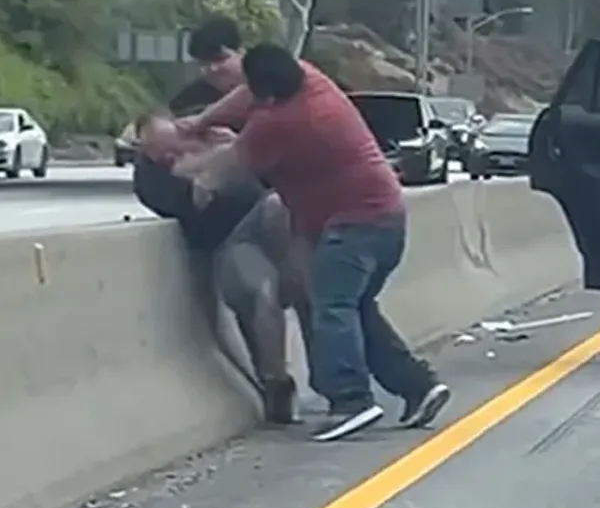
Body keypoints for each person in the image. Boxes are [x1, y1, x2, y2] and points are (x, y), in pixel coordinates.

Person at [188, 43, 451, 442]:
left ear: (268, 94)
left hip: (354, 225)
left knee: (330, 306)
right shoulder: (312, 80)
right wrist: (203, 121)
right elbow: (244, 96)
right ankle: (417, 385)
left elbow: (233, 162)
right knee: (355, 306)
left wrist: (198, 172)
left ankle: (351, 400)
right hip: (386, 217)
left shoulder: (280, 122)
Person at [133, 108, 313, 424]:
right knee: (258, 294)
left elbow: (275, 170)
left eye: (174, 145)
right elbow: (195, 202)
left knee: (278, 208)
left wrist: (236, 147)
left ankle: (332, 370)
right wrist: (221, 159)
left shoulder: (217, 141)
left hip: (267, 222)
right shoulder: (150, 178)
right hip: (226, 239)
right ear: (145, 151)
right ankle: (275, 382)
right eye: (161, 152)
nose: (170, 156)